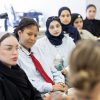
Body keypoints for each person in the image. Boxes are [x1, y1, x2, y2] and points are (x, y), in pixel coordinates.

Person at [14, 17, 67, 95]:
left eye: (35, 35)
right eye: (29, 34)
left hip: (55, 89)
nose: (32, 38)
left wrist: (60, 83)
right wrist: (52, 87)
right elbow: (27, 83)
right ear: (20, 33)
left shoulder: (39, 49)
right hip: (38, 94)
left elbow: (55, 69)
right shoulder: (15, 55)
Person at [33, 16, 75, 87]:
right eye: (52, 27)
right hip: (51, 78)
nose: (56, 29)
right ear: (48, 29)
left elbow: (76, 59)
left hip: (69, 75)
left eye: (58, 26)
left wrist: (67, 69)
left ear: (61, 27)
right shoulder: (40, 44)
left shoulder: (69, 41)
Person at [0, 32, 42, 100]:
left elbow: (34, 93)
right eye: (9, 48)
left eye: (17, 48)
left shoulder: (18, 70)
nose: (15, 53)